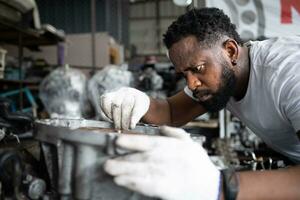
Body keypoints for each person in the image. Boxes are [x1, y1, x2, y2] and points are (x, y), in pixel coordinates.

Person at [100, 7, 300, 200]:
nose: (191, 83)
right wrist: (140, 102)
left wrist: (220, 187)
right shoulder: (223, 76)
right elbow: (170, 112)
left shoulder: (289, 72)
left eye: (198, 68)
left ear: (230, 51)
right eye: (184, 74)